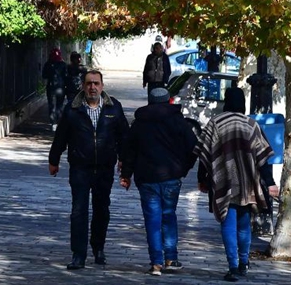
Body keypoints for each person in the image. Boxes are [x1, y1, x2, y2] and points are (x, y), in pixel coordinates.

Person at [193, 87, 279, 282]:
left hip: (223, 182)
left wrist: (202, 179)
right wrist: (271, 183)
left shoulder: (215, 124)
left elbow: (204, 155)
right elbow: (263, 158)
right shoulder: (251, 125)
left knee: (227, 223)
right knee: (243, 225)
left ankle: (232, 266)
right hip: (247, 182)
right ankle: (243, 262)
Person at [48, 70, 129, 270]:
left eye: (96, 83)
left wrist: (124, 161)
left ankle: (98, 247)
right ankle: (78, 254)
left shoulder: (113, 108)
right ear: (83, 86)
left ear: (102, 86)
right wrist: (54, 159)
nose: (92, 87)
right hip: (80, 167)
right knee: (78, 211)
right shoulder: (73, 109)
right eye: (89, 84)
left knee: (102, 209)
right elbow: (61, 137)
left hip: (104, 168)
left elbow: (124, 137)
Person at [119, 88, 199, 276]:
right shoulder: (179, 122)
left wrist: (126, 174)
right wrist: (184, 168)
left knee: (152, 220)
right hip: (171, 177)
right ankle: (171, 258)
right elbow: (194, 147)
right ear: (168, 101)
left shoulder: (140, 123)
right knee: (169, 215)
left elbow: (129, 151)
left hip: (146, 178)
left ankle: (156, 263)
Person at [42, 48, 67, 125]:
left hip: (51, 86)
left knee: (51, 105)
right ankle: (58, 120)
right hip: (60, 87)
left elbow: (44, 76)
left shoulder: (47, 64)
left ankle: (53, 123)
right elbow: (66, 76)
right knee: (59, 105)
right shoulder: (63, 64)